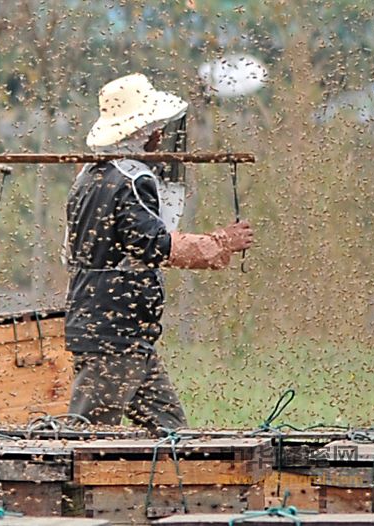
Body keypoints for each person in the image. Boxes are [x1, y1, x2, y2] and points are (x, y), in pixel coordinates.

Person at [64, 73, 253, 433]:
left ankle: (175, 490)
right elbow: (152, 244)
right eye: (154, 127)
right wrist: (222, 242)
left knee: (170, 433)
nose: (158, 135)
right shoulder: (129, 181)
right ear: (145, 130)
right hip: (113, 333)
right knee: (85, 437)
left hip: (123, 332)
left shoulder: (89, 175)